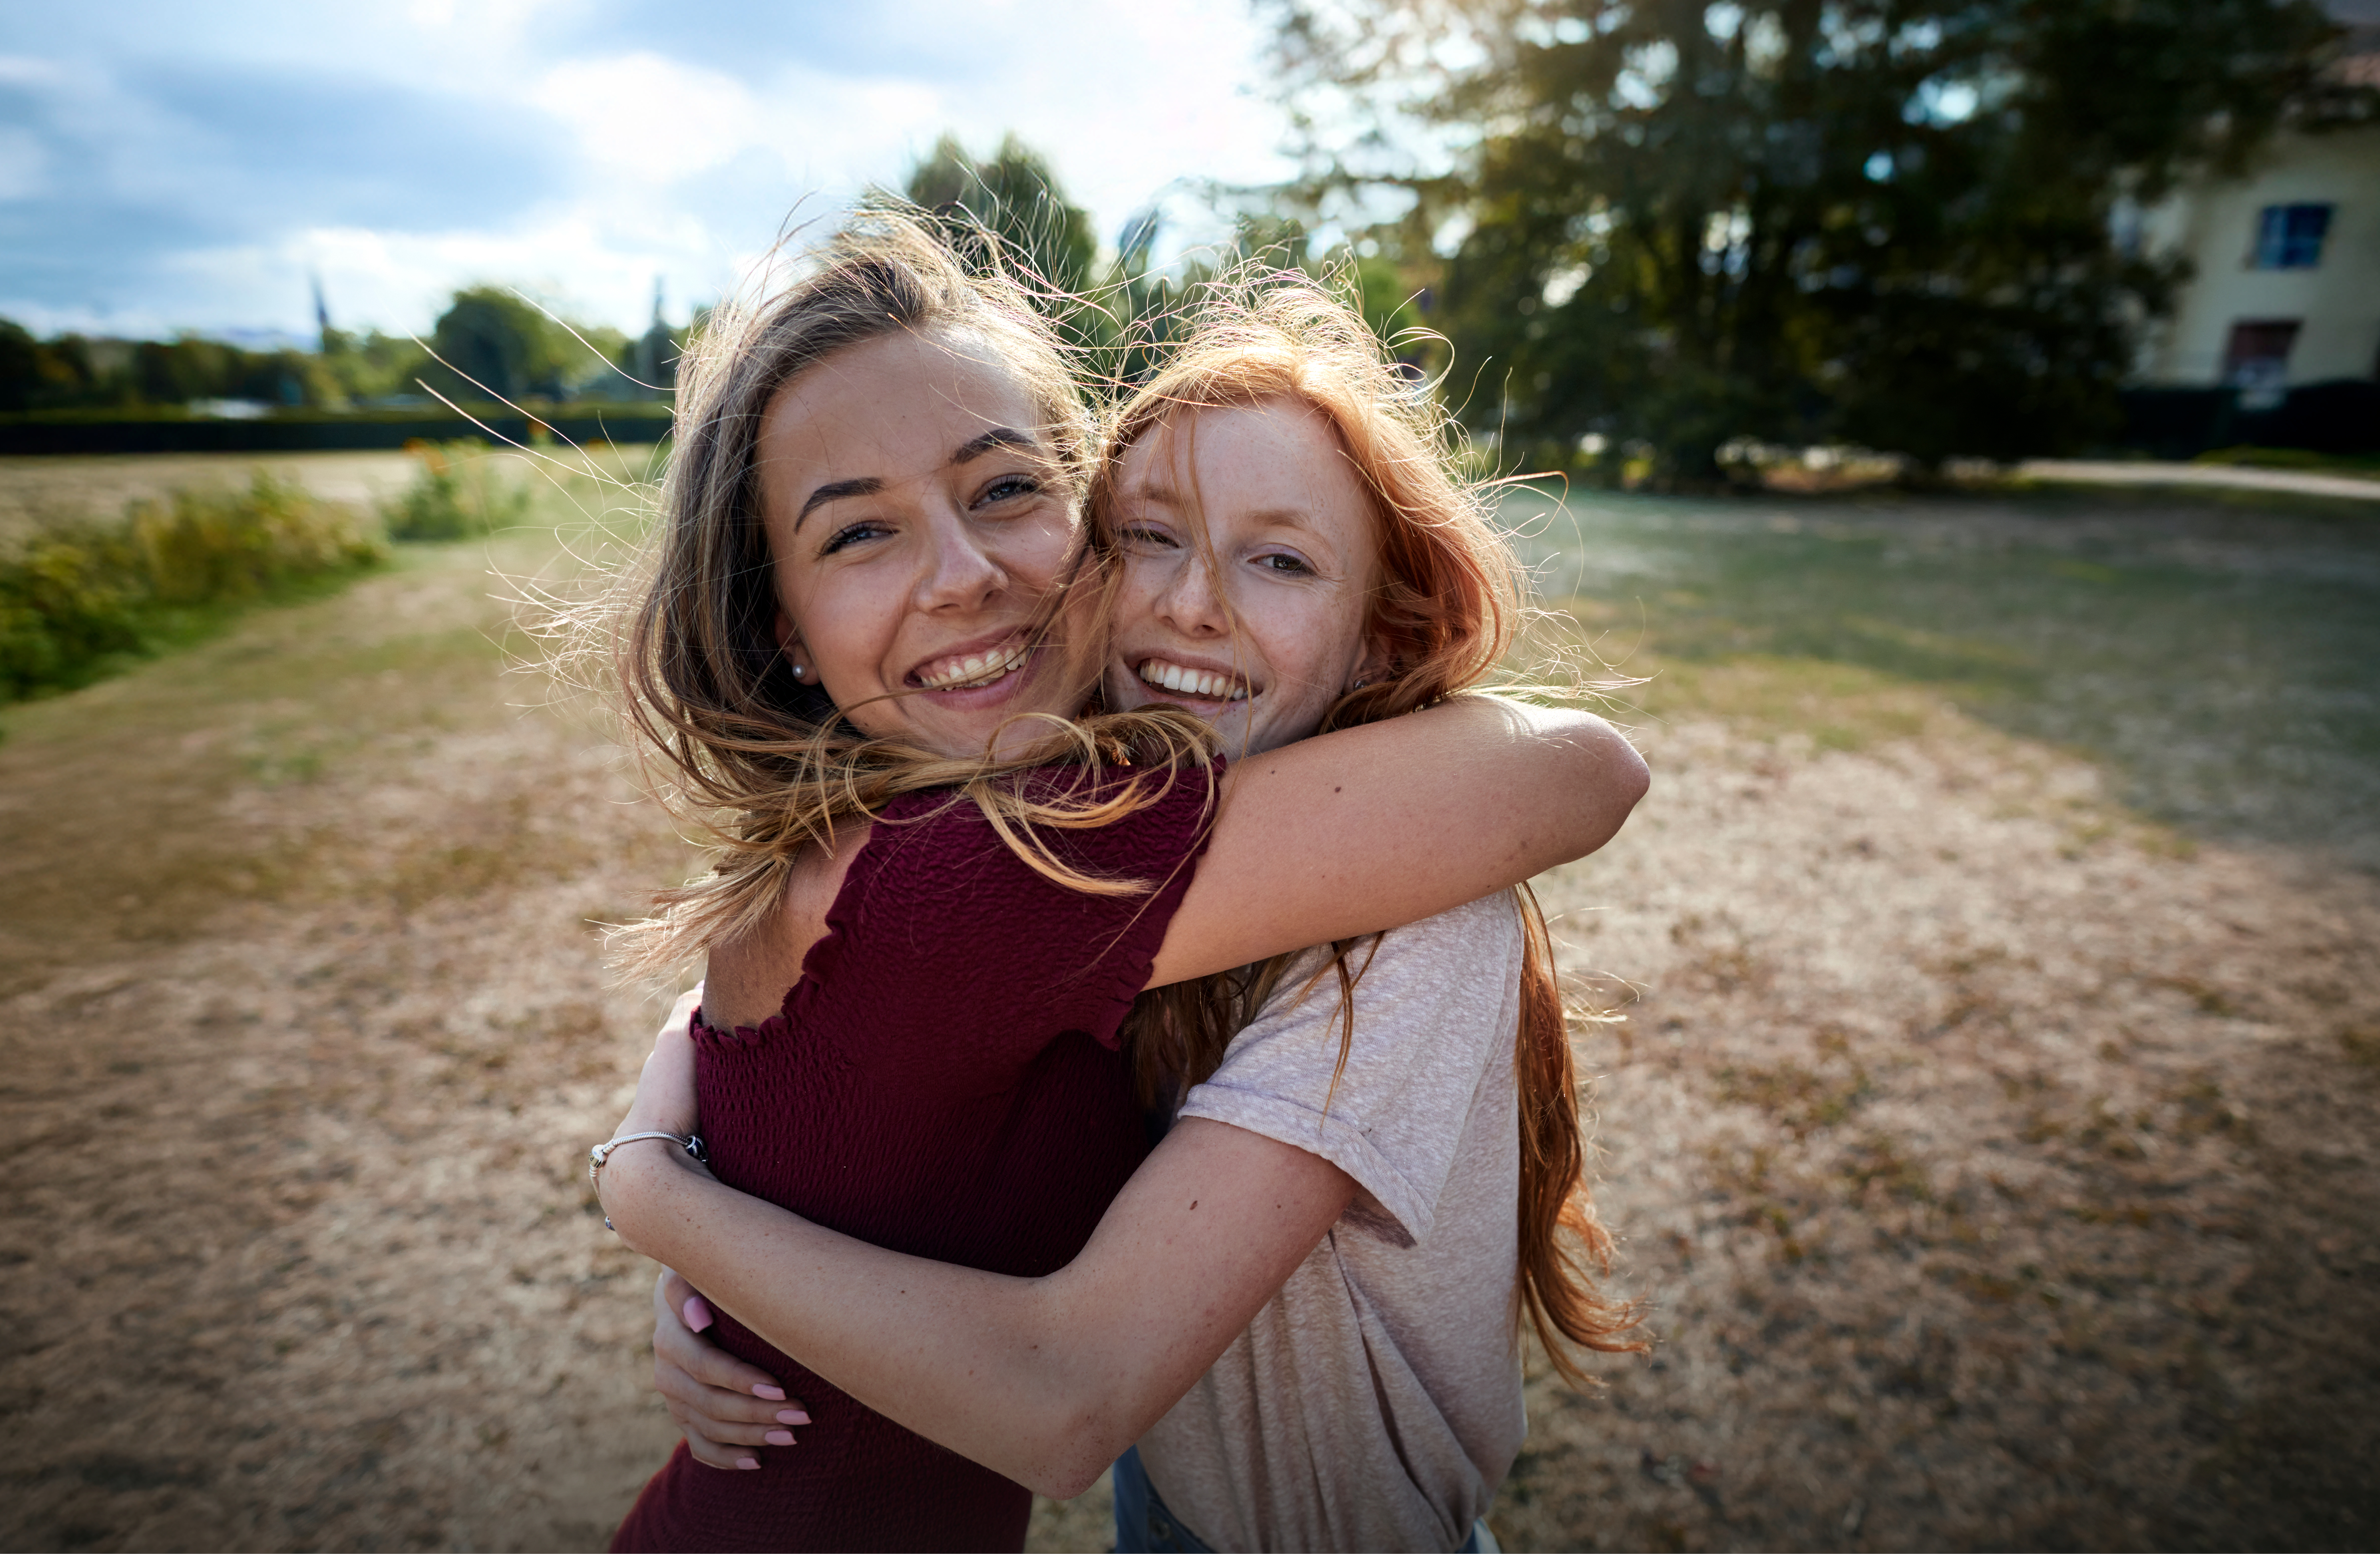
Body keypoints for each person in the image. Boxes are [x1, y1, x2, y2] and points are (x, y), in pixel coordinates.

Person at [604, 271, 1648, 1551]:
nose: (963, 574)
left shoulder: (1092, 822)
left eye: (1003, 492)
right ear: (787, 634)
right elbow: (1580, 768)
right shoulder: (1020, 861)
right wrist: (672, 1200)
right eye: (859, 532)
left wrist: (679, 1190)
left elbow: (1591, 769)